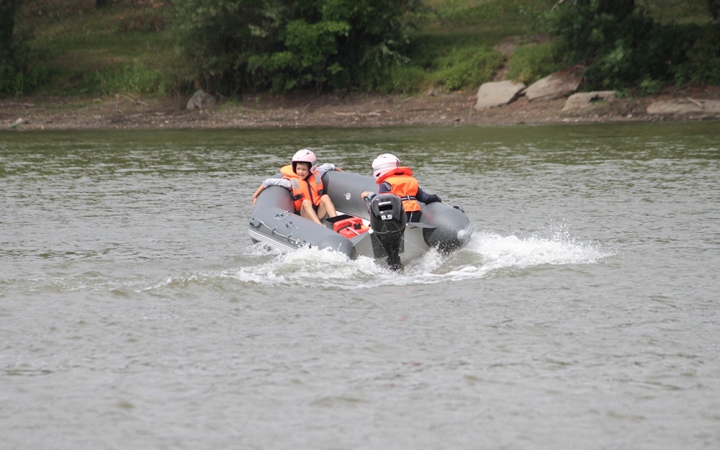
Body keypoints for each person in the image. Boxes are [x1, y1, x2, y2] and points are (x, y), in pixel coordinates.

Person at [252, 149, 342, 225]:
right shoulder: (291, 183)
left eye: (303, 169)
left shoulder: (318, 173)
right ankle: (320, 226)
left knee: (325, 197)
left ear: (311, 169)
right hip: (304, 215)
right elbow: (268, 182)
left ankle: (337, 223)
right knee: (306, 202)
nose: (300, 172)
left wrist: (344, 174)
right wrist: (255, 196)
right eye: (298, 169)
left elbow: (330, 166)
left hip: (318, 211)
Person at [361, 153, 441, 222]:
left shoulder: (386, 184)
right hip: (415, 214)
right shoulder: (411, 180)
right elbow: (425, 198)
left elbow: (381, 202)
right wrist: (437, 198)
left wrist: (369, 195)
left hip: (399, 214)